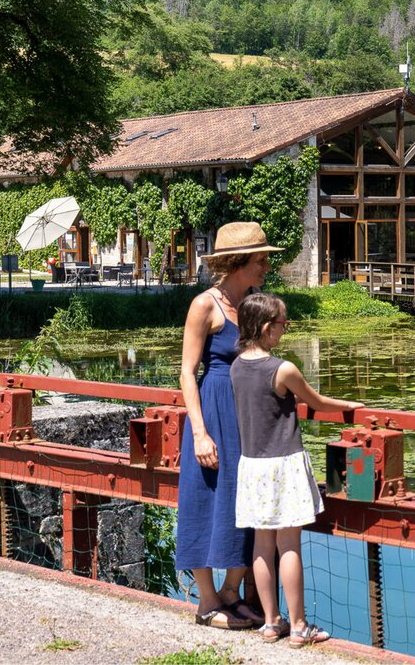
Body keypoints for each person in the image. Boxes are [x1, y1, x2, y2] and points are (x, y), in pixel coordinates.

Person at [231, 292, 363, 646]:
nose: (285, 330)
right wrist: (350, 404)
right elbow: (316, 402)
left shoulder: (236, 366)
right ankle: (300, 626)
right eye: (282, 323)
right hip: (284, 463)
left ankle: (272, 622)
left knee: (262, 545)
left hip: (253, 465)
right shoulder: (282, 369)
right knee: (289, 544)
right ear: (264, 327)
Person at [177, 222, 281, 629]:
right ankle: (206, 602)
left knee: (247, 498)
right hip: (213, 408)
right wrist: (200, 432)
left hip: (247, 412)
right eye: (261, 259)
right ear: (238, 262)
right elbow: (187, 373)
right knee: (203, 498)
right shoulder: (205, 305)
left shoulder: (256, 302)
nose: (267, 265)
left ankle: (230, 593)